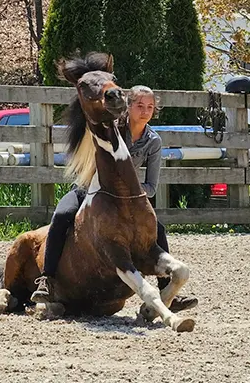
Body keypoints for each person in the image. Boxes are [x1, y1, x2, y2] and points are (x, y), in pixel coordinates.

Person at [31, 85, 198, 312]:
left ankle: (166, 289)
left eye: (150, 107)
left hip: (127, 198)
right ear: (128, 107)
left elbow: (150, 186)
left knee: (158, 228)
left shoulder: (154, 141)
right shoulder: (110, 129)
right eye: (140, 105)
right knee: (62, 216)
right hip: (89, 189)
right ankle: (47, 279)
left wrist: (127, 192)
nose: (145, 111)